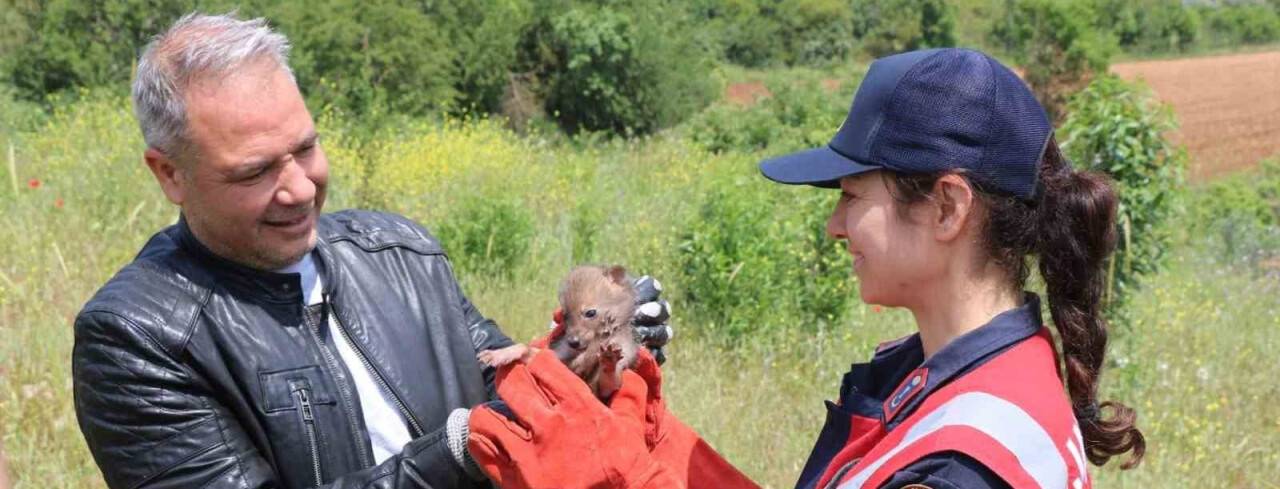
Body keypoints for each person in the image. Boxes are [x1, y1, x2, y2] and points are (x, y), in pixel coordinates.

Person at [465, 48, 1147, 489]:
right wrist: (646, 436)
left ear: (947, 207)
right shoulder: (963, 376)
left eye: (852, 196)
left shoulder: (965, 463)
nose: (834, 225)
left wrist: (607, 475)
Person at [71, 13, 672, 489]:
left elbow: (501, 382)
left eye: (305, 149)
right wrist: (459, 451)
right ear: (170, 174)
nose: (300, 189)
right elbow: (485, 434)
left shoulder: (400, 253)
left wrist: (587, 356)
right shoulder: (137, 337)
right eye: (254, 172)